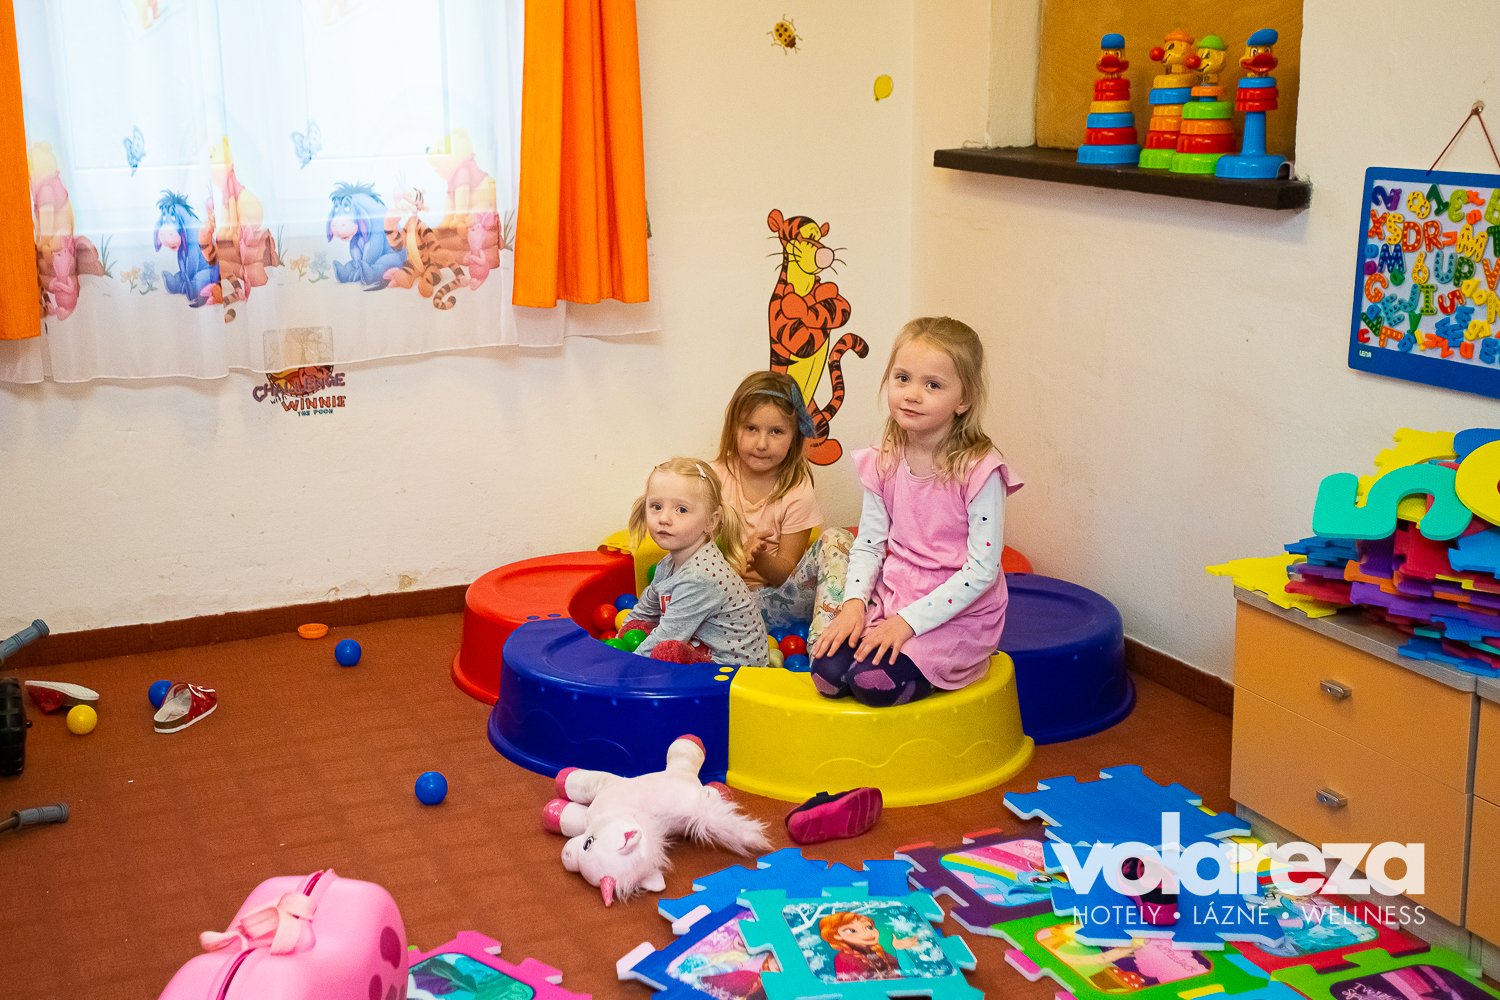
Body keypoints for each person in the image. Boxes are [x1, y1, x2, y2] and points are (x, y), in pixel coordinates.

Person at [808, 316, 1023, 707]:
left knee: (873, 683)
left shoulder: (980, 470)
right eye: (902, 378)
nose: (911, 395)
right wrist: (854, 604)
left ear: (964, 399)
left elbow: (981, 571)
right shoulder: (884, 460)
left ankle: (952, 665)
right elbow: (869, 544)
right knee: (826, 674)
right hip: (896, 594)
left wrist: (907, 624)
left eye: (933, 385)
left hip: (959, 614)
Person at [710, 371, 853, 638]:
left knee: (838, 537)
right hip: (718, 604)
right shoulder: (712, 479)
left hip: (772, 604)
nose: (762, 444)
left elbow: (784, 573)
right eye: (751, 428)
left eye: (776, 431)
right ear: (734, 428)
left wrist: (761, 560)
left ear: (794, 437)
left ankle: (826, 643)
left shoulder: (797, 491)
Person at [619, 458, 770, 665]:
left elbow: (667, 636)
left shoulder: (701, 576)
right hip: (701, 648)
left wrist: (624, 667)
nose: (664, 518)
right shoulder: (667, 564)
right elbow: (644, 611)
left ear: (711, 521)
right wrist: (620, 639)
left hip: (733, 670)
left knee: (666, 652)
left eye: (681, 510)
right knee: (638, 627)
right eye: (656, 506)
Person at [818, 911, 917, 980]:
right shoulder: (843, 958)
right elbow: (857, 988)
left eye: (869, 927)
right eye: (852, 930)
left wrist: (899, 950)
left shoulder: (876, 951)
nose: (868, 934)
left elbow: (910, 972)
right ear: (837, 936)